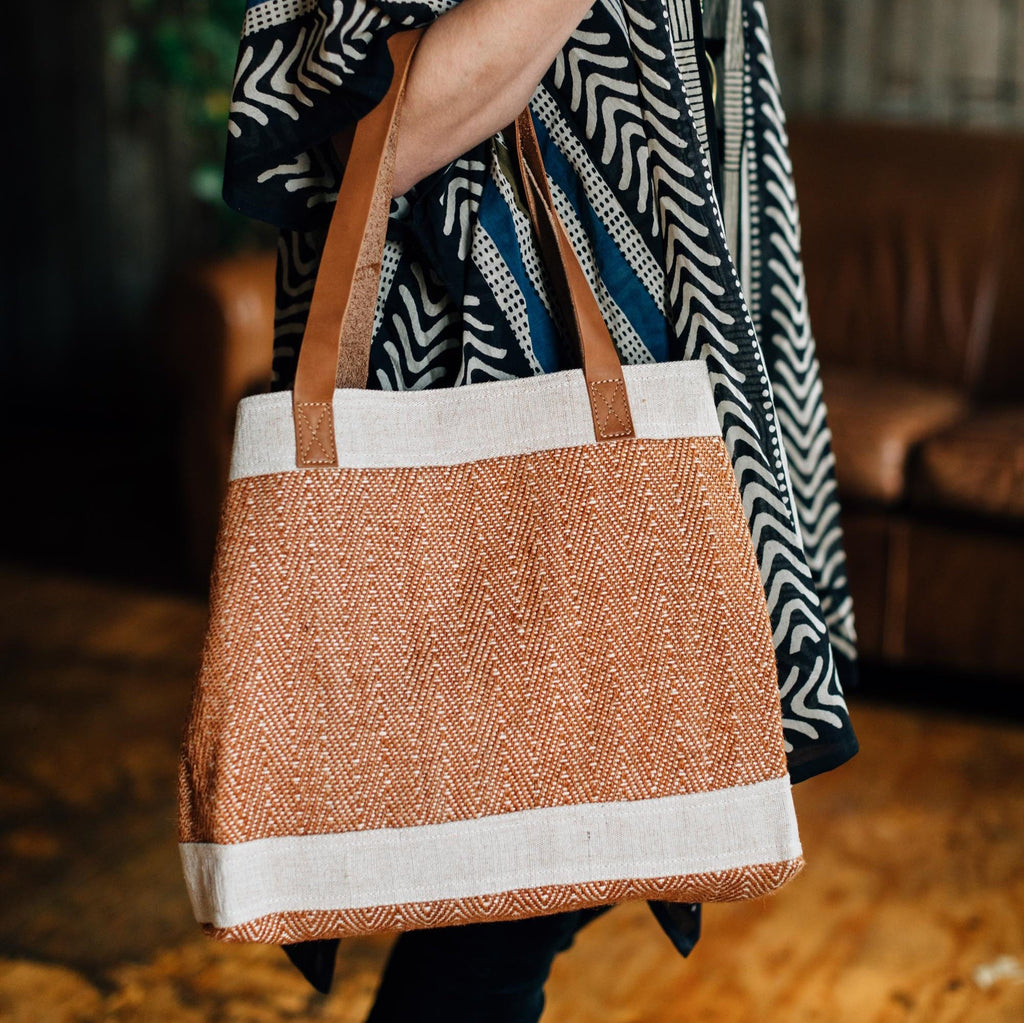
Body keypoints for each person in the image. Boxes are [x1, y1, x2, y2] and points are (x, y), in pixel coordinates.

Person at [221, 1, 860, 1018]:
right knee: (509, 891)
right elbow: (386, 126)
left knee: (545, 864)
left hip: (676, 358)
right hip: (481, 373)